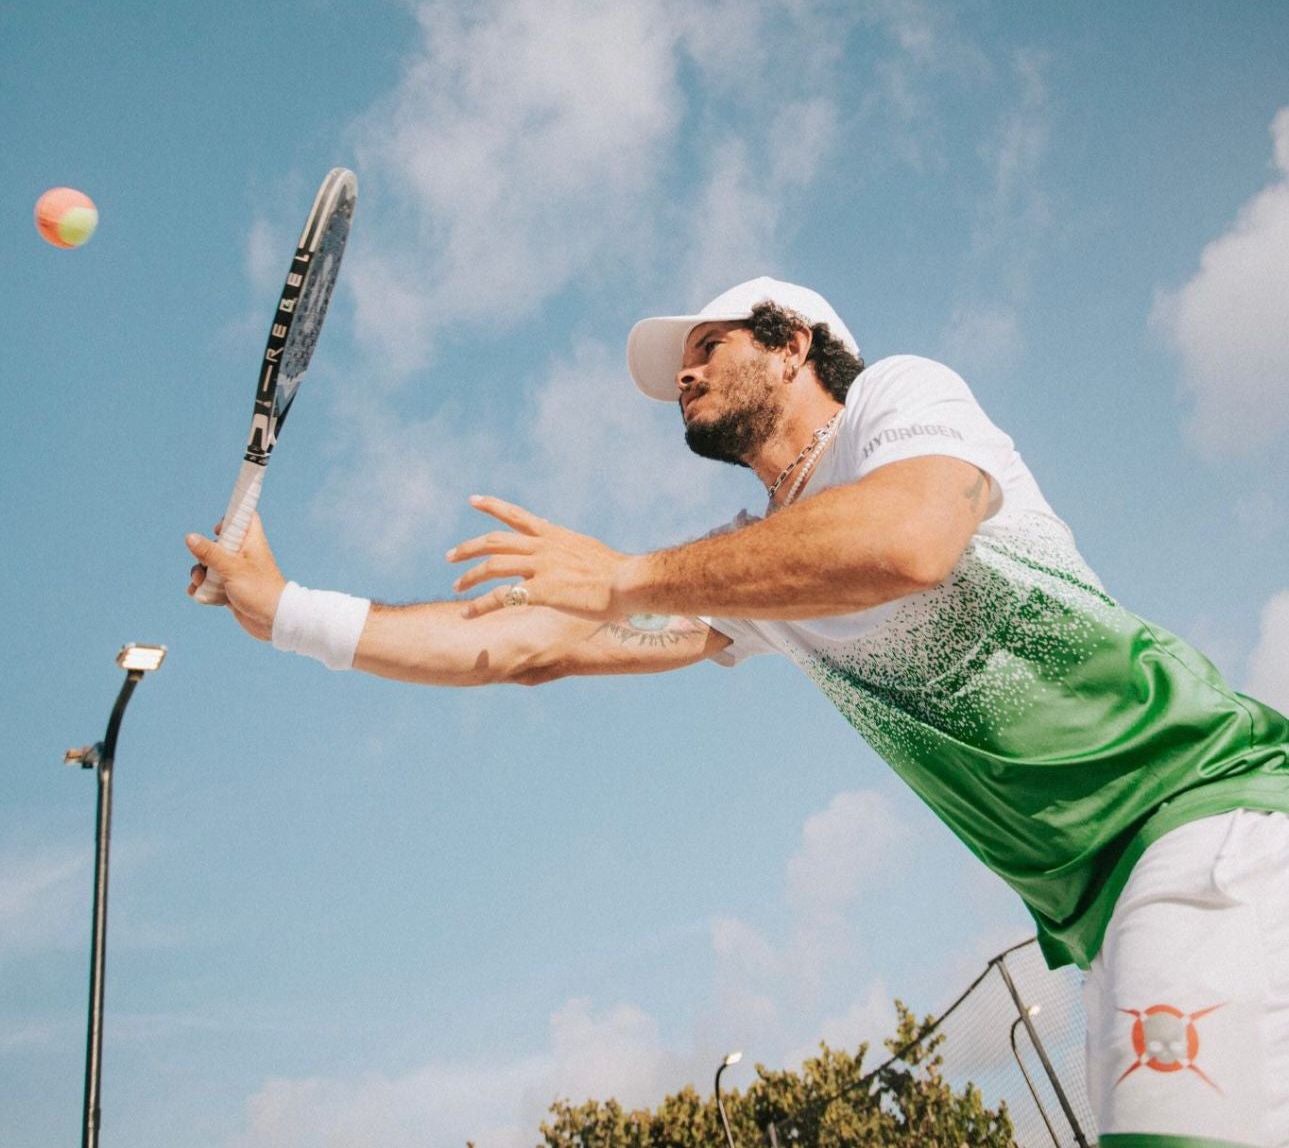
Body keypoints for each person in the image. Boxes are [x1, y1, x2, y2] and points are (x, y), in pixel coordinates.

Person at [188, 275, 1288, 1148]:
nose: (682, 371)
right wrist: (290, 612)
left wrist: (625, 575)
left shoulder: (903, 404)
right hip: (1106, 910)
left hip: (1204, 826)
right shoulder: (746, 575)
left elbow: (906, 542)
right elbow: (520, 644)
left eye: (704, 344)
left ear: (793, 342)